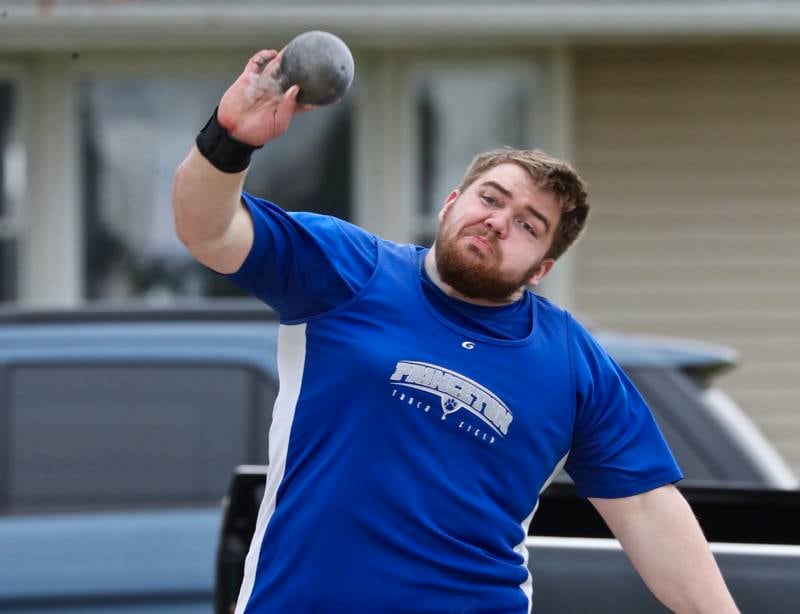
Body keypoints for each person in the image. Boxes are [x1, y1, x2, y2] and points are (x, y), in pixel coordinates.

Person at [173, 48, 739, 614]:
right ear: (450, 205)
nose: (498, 221)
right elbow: (209, 232)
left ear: (541, 269)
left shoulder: (570, 362)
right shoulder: (347, 270)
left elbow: (646, 509)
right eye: (490, 199)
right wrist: (229, 139)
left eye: (527, 225)